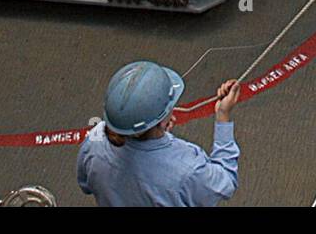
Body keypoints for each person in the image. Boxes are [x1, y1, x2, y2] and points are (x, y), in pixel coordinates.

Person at [77, 61, 241, 207]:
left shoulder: (95, 140)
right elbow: (226, 181)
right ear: (162, 121)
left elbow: (86, 184)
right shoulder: (188, 170)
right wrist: (223, 115)